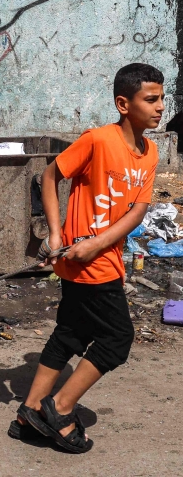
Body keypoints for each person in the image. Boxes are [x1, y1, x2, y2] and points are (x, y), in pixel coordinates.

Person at [12, 63, 163, 453]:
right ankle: (59, 409)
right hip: (87, 265)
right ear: (123, 104)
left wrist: (99, 242)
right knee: (117, 339)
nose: (160, 106)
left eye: (162, 98)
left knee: (71, 333)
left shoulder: (150, 153)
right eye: (151, 99)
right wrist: (56, 232)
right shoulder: (98, 140)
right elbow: (48, 176)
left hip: (100, 255)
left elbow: (137, 210)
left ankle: (29, 412)